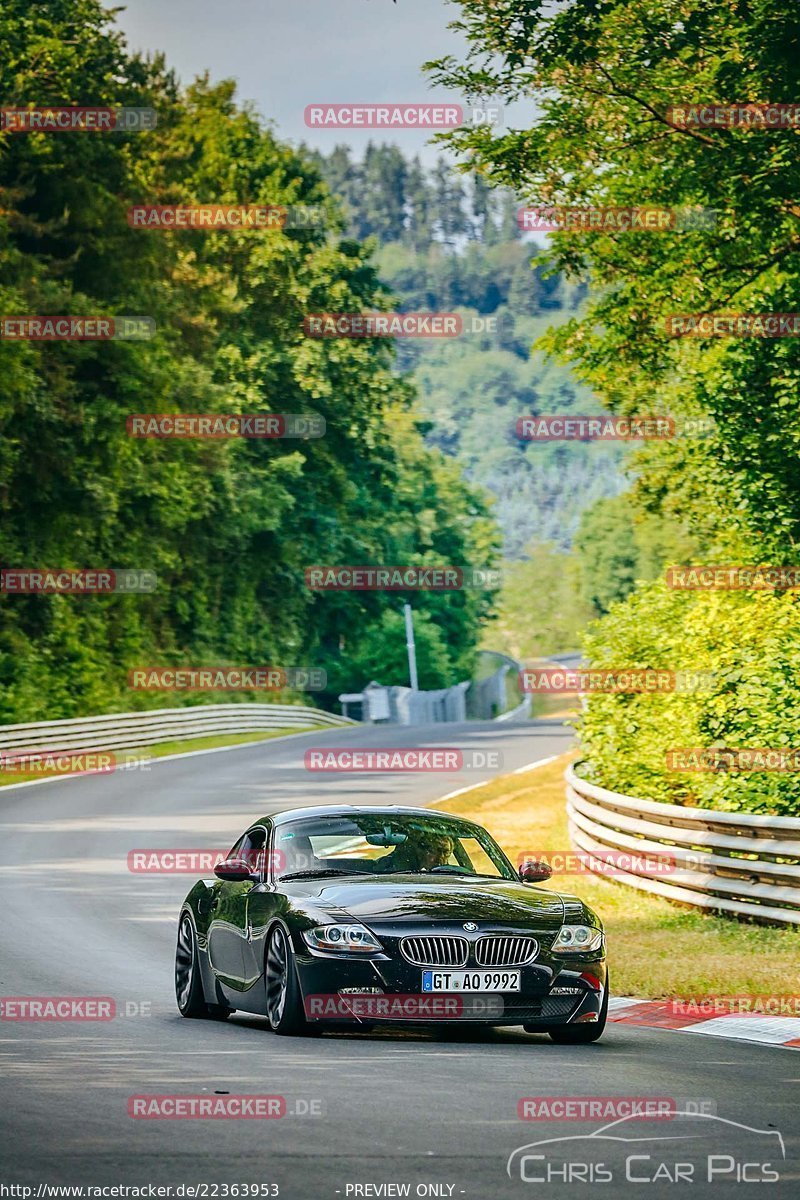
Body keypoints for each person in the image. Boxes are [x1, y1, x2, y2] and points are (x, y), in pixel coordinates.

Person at [375, 831, 453, 874]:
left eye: (446, 852)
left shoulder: (452, 874)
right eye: (434, 852)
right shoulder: (387, 869)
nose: (441, 857)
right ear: (420, 852)